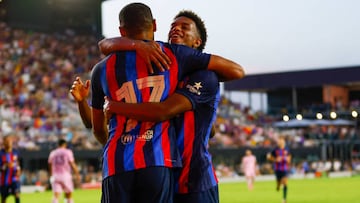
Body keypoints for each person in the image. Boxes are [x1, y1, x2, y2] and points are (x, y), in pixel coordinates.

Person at [90, 3, 244, 203]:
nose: (176, 29)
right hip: (163, 169)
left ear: (197, 43)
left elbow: (164, 111)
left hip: (194, 179)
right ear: (155, 25)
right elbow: (104, 44)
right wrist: (138, 45)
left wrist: (114, 106)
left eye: (184, 27)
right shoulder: (170, 62)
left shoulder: (204, 76)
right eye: (172, 26)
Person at [48, 139, 80, 203]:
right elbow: (72, 164)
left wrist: (51, 175)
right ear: (65, 144)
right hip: (66, 176)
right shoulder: (68, 152)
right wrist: (77, 174)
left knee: (56, 196)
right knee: (68, 195)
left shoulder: (53, 153)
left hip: (55, 176)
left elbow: (50, 164)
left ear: (58, 145)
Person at [267, 137, 291, 203]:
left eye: (282, 141)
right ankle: (278, 186)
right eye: (279, 141)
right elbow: (269, 157)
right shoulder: (275, 150)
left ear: (284, 142)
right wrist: (275, 159)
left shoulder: (287, 149)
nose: (280, 142)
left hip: (285, 168)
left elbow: (289, 157)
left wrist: (288, 160)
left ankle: (284, 199)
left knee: (285, 182)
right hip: (277, 168)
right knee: (278, 184)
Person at [0, 135, 21, 203]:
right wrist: (5, 166)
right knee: (3, 198)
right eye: (6, 141)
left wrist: (18, 169)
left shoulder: (15, 152)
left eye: (10, 141)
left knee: (17, 194)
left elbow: (18, 163)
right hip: (4, 180)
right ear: (3, 142)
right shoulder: (1, 153)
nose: (8, 142)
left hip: (14, 178)